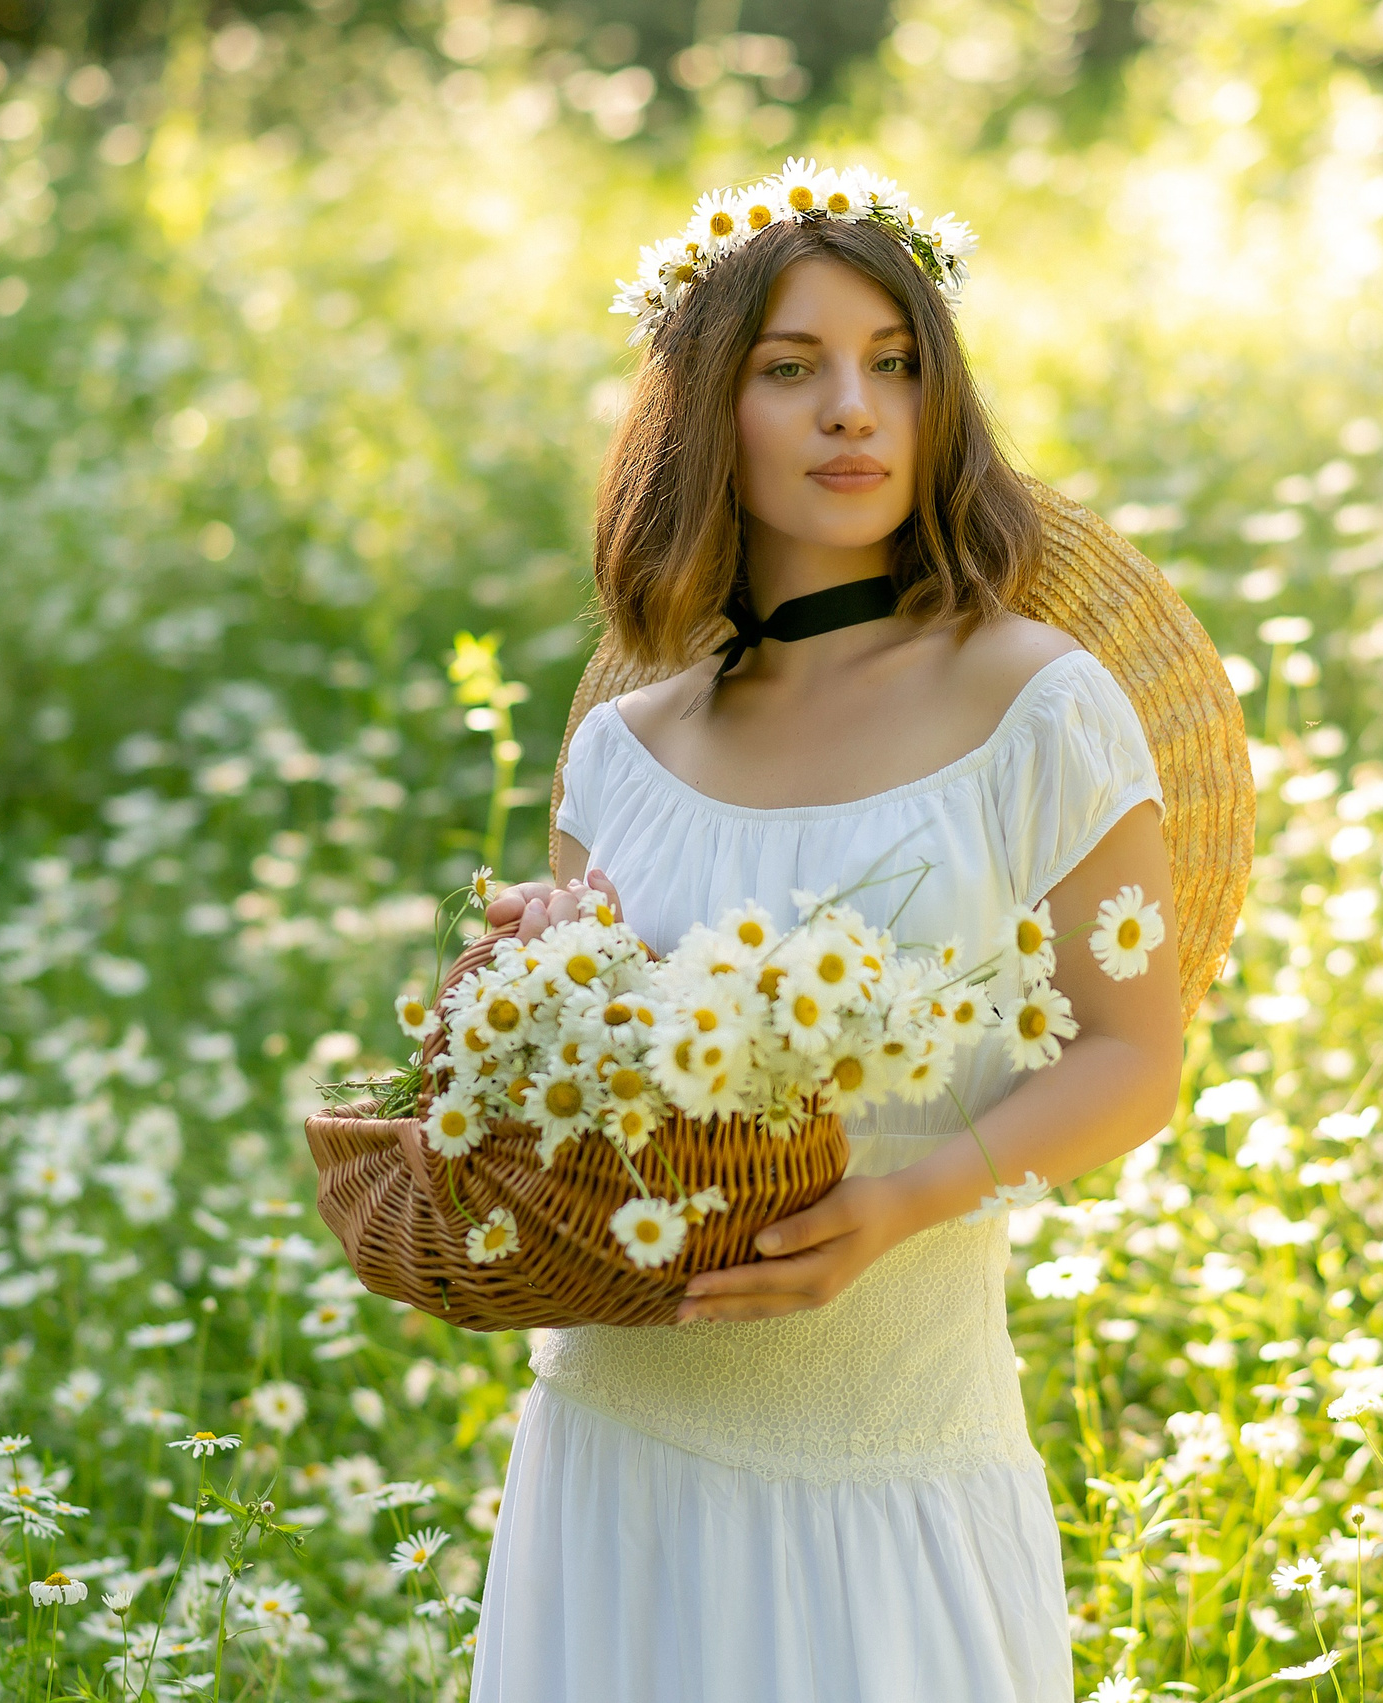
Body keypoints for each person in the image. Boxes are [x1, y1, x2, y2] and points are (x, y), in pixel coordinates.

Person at [465, 162, 1187, 1703]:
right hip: (622, 1449)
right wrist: (518, 992)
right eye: (791, 370)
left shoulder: (1035, 701)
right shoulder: (627, 748)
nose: (853, 409)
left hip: (887, 1450)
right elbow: (595, 1116)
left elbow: (1135, 1056)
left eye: (895, 363)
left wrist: (910, 1198)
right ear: (707, 412)